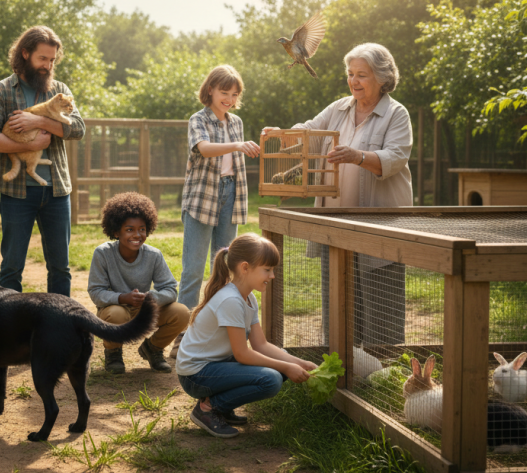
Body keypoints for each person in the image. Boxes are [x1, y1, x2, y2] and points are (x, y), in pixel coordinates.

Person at [262, 42, 413, 346]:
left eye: (362, 75)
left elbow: (397, 157)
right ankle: (341, 358)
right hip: (335, 221)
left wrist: (359, 156)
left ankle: (383, 362)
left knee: (379, 297)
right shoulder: (339, 108)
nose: (353, 81)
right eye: (350, 74)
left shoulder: (396, 113)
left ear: (382, 78)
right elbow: (310, 131)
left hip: (378, 224)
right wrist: (284, 133)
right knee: (339, 296)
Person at [176, 233, 318, 438]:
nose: (272, 276)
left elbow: (261, 345)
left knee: (283, 361)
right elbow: (242, 354)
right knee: (271, 379)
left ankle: (222, 407)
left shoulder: (248, 297)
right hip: (195, 375)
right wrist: (286, 366)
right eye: (267, 269)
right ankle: (208, 409)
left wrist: (299, 363)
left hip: (216, 364)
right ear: (245, 268)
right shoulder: (231, 300)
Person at [0, 26, 85, 296]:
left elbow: (78, 129)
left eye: (52, 60)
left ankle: (60, 320)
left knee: (60, 267)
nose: (48, 66)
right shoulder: (0, 91)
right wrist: (29, 144)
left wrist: (38, 121)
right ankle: (8, 321)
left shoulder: (60, 90)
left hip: (57, 191)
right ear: (25, 54)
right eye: (42, 58)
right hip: (16, 193)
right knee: (12, 267)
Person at [170, 65, 259, 358]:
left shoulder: (236, 122)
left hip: (231, 194)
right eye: (224, 92)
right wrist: (238, 145)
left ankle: (217, 333)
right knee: (193, 268)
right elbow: (205, 148)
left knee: (225, 266)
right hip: (202, 196)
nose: (229, 99)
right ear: (210, 90)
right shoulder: (198, 119)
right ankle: (181, 336)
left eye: (234, 94)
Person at [87, 192, 190, 374]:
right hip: (116, 308)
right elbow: (96, 291)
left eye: (142, 229)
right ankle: (113, 353)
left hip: (145, 309)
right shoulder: (103, 253)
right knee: (115, 315)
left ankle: (152, 349)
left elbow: (170, 289)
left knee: (181, 313)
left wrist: (150, 298)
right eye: (129, 229)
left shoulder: (153, 255)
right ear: (116, 231)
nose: (137, 234)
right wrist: (122, 298)